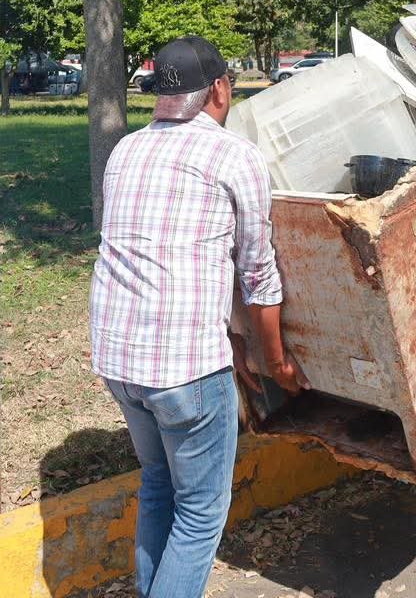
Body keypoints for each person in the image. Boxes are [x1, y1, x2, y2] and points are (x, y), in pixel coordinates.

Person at [90, 35, 307, 598]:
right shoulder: (234, 155)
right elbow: (257, 273)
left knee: (158, 485)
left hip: (118, 359)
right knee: (200, 514)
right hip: (184, 370)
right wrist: (275, 362)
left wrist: (236, 343)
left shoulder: (125, 150)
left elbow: (163, 253)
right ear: (219, 89)